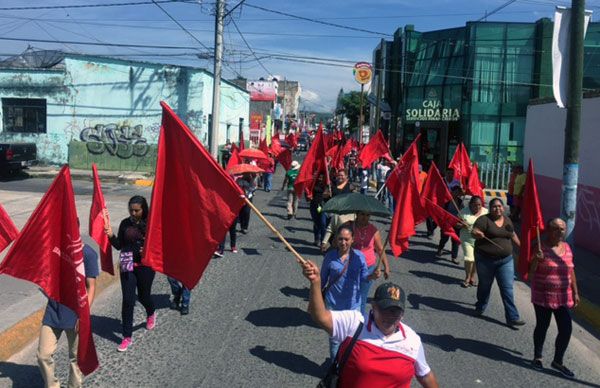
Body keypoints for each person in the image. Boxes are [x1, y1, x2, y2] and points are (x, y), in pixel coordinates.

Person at [301, 258, 439, 388]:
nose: (389, 316)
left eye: (395, 311)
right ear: (373, 307)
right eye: (384, 309)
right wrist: (316, 282)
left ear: (402, 314)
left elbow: (425, 374)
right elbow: (320, 316)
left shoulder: (412, 341)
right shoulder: (354, 323)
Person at [37, 244, 99, 388]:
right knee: (43, 355)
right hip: (54, 310)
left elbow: (91, 286)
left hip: (76, 312)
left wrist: (83, 315)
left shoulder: (88, 254)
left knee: (76, 358)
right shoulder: (55, 249)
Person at [528, 218, 580, 378]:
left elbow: (571, 271)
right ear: (549, 230)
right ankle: (537, 357)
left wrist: (576, 292)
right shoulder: (540, 247)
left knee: (566, 329)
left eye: (562, 229)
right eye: (556, 228)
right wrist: (536, 259)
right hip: (543, 295)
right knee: (542, 326)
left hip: (563, 297)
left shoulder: (567, 247)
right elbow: (530, 273)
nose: (560, 232)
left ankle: (558, 361)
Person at [106, 195, 156, 352]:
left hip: (145, 266)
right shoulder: (124, 224)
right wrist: (111, 236)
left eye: (137, 210)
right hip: (127, 266)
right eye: (131, 210)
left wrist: (148, 249)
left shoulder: (151, 223)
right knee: (127, 300)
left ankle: (151, 312)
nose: (133, 213)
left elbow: (159, 246)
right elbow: (119, 245)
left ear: (144, 209)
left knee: (143, 296)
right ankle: (127, 336)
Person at [471, 198, 524, 327]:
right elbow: (474, 232)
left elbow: (512, 234)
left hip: (505, 261)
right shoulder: (484, 220)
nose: (497, 209)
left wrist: (522, 248)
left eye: (499, 206)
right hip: (485, 260)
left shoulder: (507, 219)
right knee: (485, 286)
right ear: (490, 208)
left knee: (507, 288)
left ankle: (512, 317)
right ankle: (480, 306)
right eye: (494, 207)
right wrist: (477, 233)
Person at [320, 225, 370, 359]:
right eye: (340, 239)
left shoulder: (359, 256)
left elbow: (364, 278)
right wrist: (316, 300)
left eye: (346, 239)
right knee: (335, 340)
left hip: (353, 305)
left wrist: (372, 275)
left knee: (352, 339)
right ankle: (335, 369)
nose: (343, 242)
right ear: (336, 239)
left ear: (353, 239)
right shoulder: (330, 257)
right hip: (333, 305)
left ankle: (346, 367)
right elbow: (322, 279)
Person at [349, 211, 390, 314]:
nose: (365, 217)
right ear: (357, 214)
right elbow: (338, 243)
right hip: (349, 266)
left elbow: (380, 249)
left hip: (368, 267)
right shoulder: (348, 227)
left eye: (367, 215)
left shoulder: (373, 230)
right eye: (362, 214)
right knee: (348, 294)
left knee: (361, 297)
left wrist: (386, 267)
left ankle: (360, 322)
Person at [459, 196, 488, 287]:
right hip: (466, 239)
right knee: (469, 258)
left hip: (480, 240)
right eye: (475, 205)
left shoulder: (486, 212)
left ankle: (472, 277)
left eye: (479, 205)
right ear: (470, 204)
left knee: (476, 259)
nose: (477, 207)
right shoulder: (463, 212)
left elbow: (490, 225)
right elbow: (455, 224)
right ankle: (467, 277)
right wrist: (461, 225)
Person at [436, 186, 464, 264]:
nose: (457, 193)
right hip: (447, 223)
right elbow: (442, 212)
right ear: (451, 192)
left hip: (456, 223)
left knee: (455, 240)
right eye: (455, 191)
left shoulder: (460, 202)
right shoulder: (446, 201)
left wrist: (461, 221)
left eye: (458, 192)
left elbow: (463, 213)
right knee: (444, 238)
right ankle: (440, 249)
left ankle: (454, 257)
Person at [308, 174, 329, 246]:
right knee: (316, 222)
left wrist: (327, 192)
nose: (320, 179)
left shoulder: (327, 185)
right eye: (319, 177)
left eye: (321, 177)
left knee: (322, 223)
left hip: (321, 206)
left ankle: (323, 240)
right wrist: (308, 196)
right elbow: (308, 193)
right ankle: (316, 238)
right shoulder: (313, 183)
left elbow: (328, 195)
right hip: (314, 205)